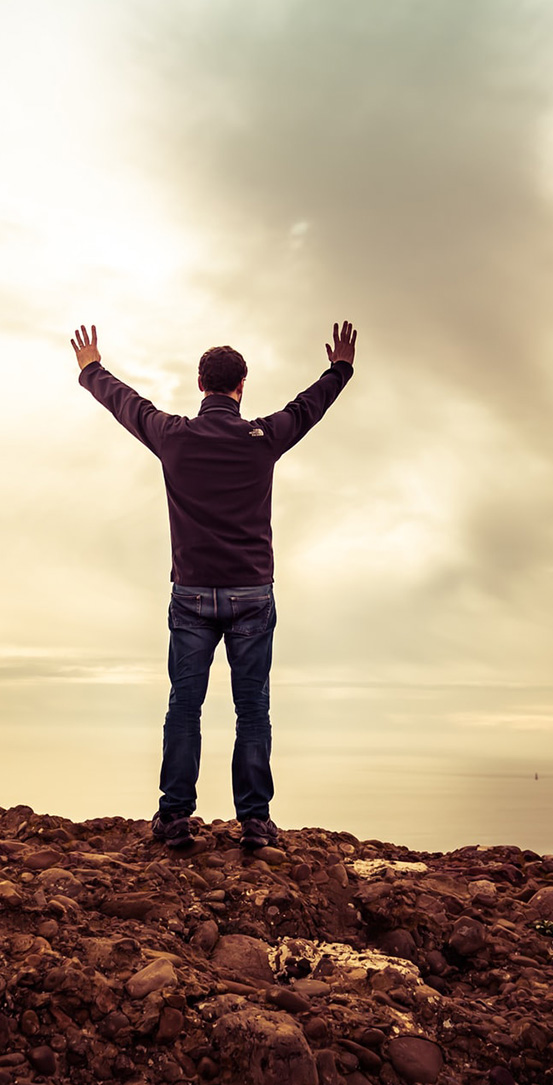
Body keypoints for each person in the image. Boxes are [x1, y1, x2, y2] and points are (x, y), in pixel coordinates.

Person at [70, 321, 358, 852]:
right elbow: (306, 408)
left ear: (201, 385)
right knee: (252, 710)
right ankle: (255, 823)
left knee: (185, 705)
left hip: (193, 595)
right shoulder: (262, 439)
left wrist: (91, 369)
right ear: (241, 385)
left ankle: (175, 818)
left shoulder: (174, 436)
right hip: (252, 594)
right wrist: (340, 369)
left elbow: (126, 404)